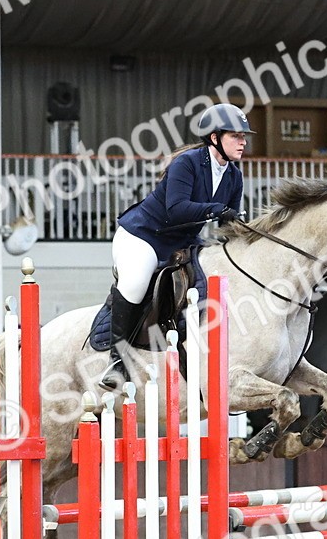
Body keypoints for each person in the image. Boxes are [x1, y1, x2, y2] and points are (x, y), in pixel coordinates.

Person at [100, 103, 253, 389]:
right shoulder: (188, 163)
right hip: (144, 236)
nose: (243, 141)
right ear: (215, 138)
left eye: (244, 136)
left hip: (183, 241)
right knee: (135, 283)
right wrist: (217, 210)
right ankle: (116, 361)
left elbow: (227, 223)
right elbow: (177, 208)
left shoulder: (234, 175)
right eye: (236, 136)